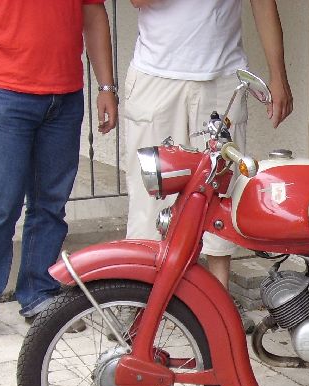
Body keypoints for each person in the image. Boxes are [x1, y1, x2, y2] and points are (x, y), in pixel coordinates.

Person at [0, 0, 118, 351]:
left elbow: (93, 13)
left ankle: (38, 294)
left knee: (50, 204)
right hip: (4, 93)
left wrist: (106, 87)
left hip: (65, 96)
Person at [124, 0, 293, 331]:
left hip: (222, 78)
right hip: (156, 76)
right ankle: (137, 299)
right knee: (149, 196)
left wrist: (278, 75)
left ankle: (218, 303)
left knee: (222, 192)